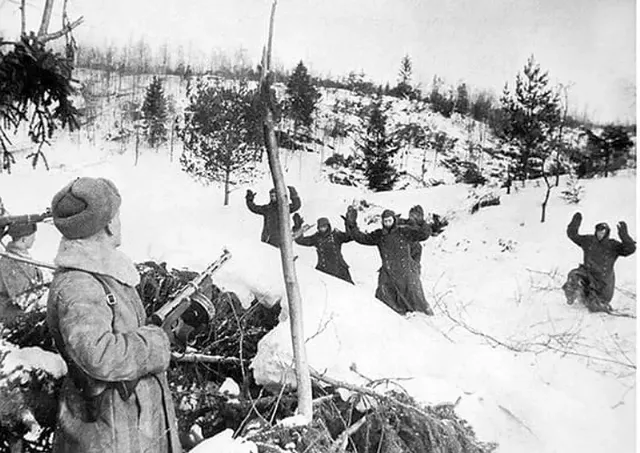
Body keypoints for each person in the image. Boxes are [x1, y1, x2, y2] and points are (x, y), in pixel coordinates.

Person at [46, 177, 181, 453]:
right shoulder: (79, 284)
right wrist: (155, 343)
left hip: (127, 423)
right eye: (117, 216)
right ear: (108, 224)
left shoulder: (102, 273)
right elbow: (98, 355)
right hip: (111, 432)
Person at [345, 205, 434, 315]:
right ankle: (392, 319)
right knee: (385, 299)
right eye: (385, 221)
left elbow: (424, 235)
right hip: (388, 273)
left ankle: (422, 319)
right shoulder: (379, 235)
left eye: (389, 220)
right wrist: (352, 225)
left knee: (415, 298)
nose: (387, 223)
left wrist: (421, 222)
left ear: (394, 220)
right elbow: (362, 238)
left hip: (406, 271)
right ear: (382, 222)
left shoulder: (404, 231)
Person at [562, 212, 636, 313]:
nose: (600, 234)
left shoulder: (613, 245)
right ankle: (572, 297)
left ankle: (596, 302)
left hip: (603, 284)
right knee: (574, 275)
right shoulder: (588, 241)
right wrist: (575, 222)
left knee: (594, 307)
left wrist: (624, 235)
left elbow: (630, 249)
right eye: (598, 232)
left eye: (603, 232)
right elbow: (573, 235)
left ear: (607, 233)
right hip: (587, 276)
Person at [0, 222, 43, 326]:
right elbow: (23, 299)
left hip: (21, 315)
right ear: (24, 239)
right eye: (32, 236)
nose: (34, 239)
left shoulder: (20, 258)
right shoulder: (12, 263)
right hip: (13, 320)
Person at [293, 214, 354, 284]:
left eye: (324, 226)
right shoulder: (316, 238)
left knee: (349, 288)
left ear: (328, 226)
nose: (322, 229)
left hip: (340, 270)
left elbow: (350, 237)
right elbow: (300, 240)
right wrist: (298, 227)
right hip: (324, 270)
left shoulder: (336, 235)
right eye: (320, 227)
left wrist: (349, 224)